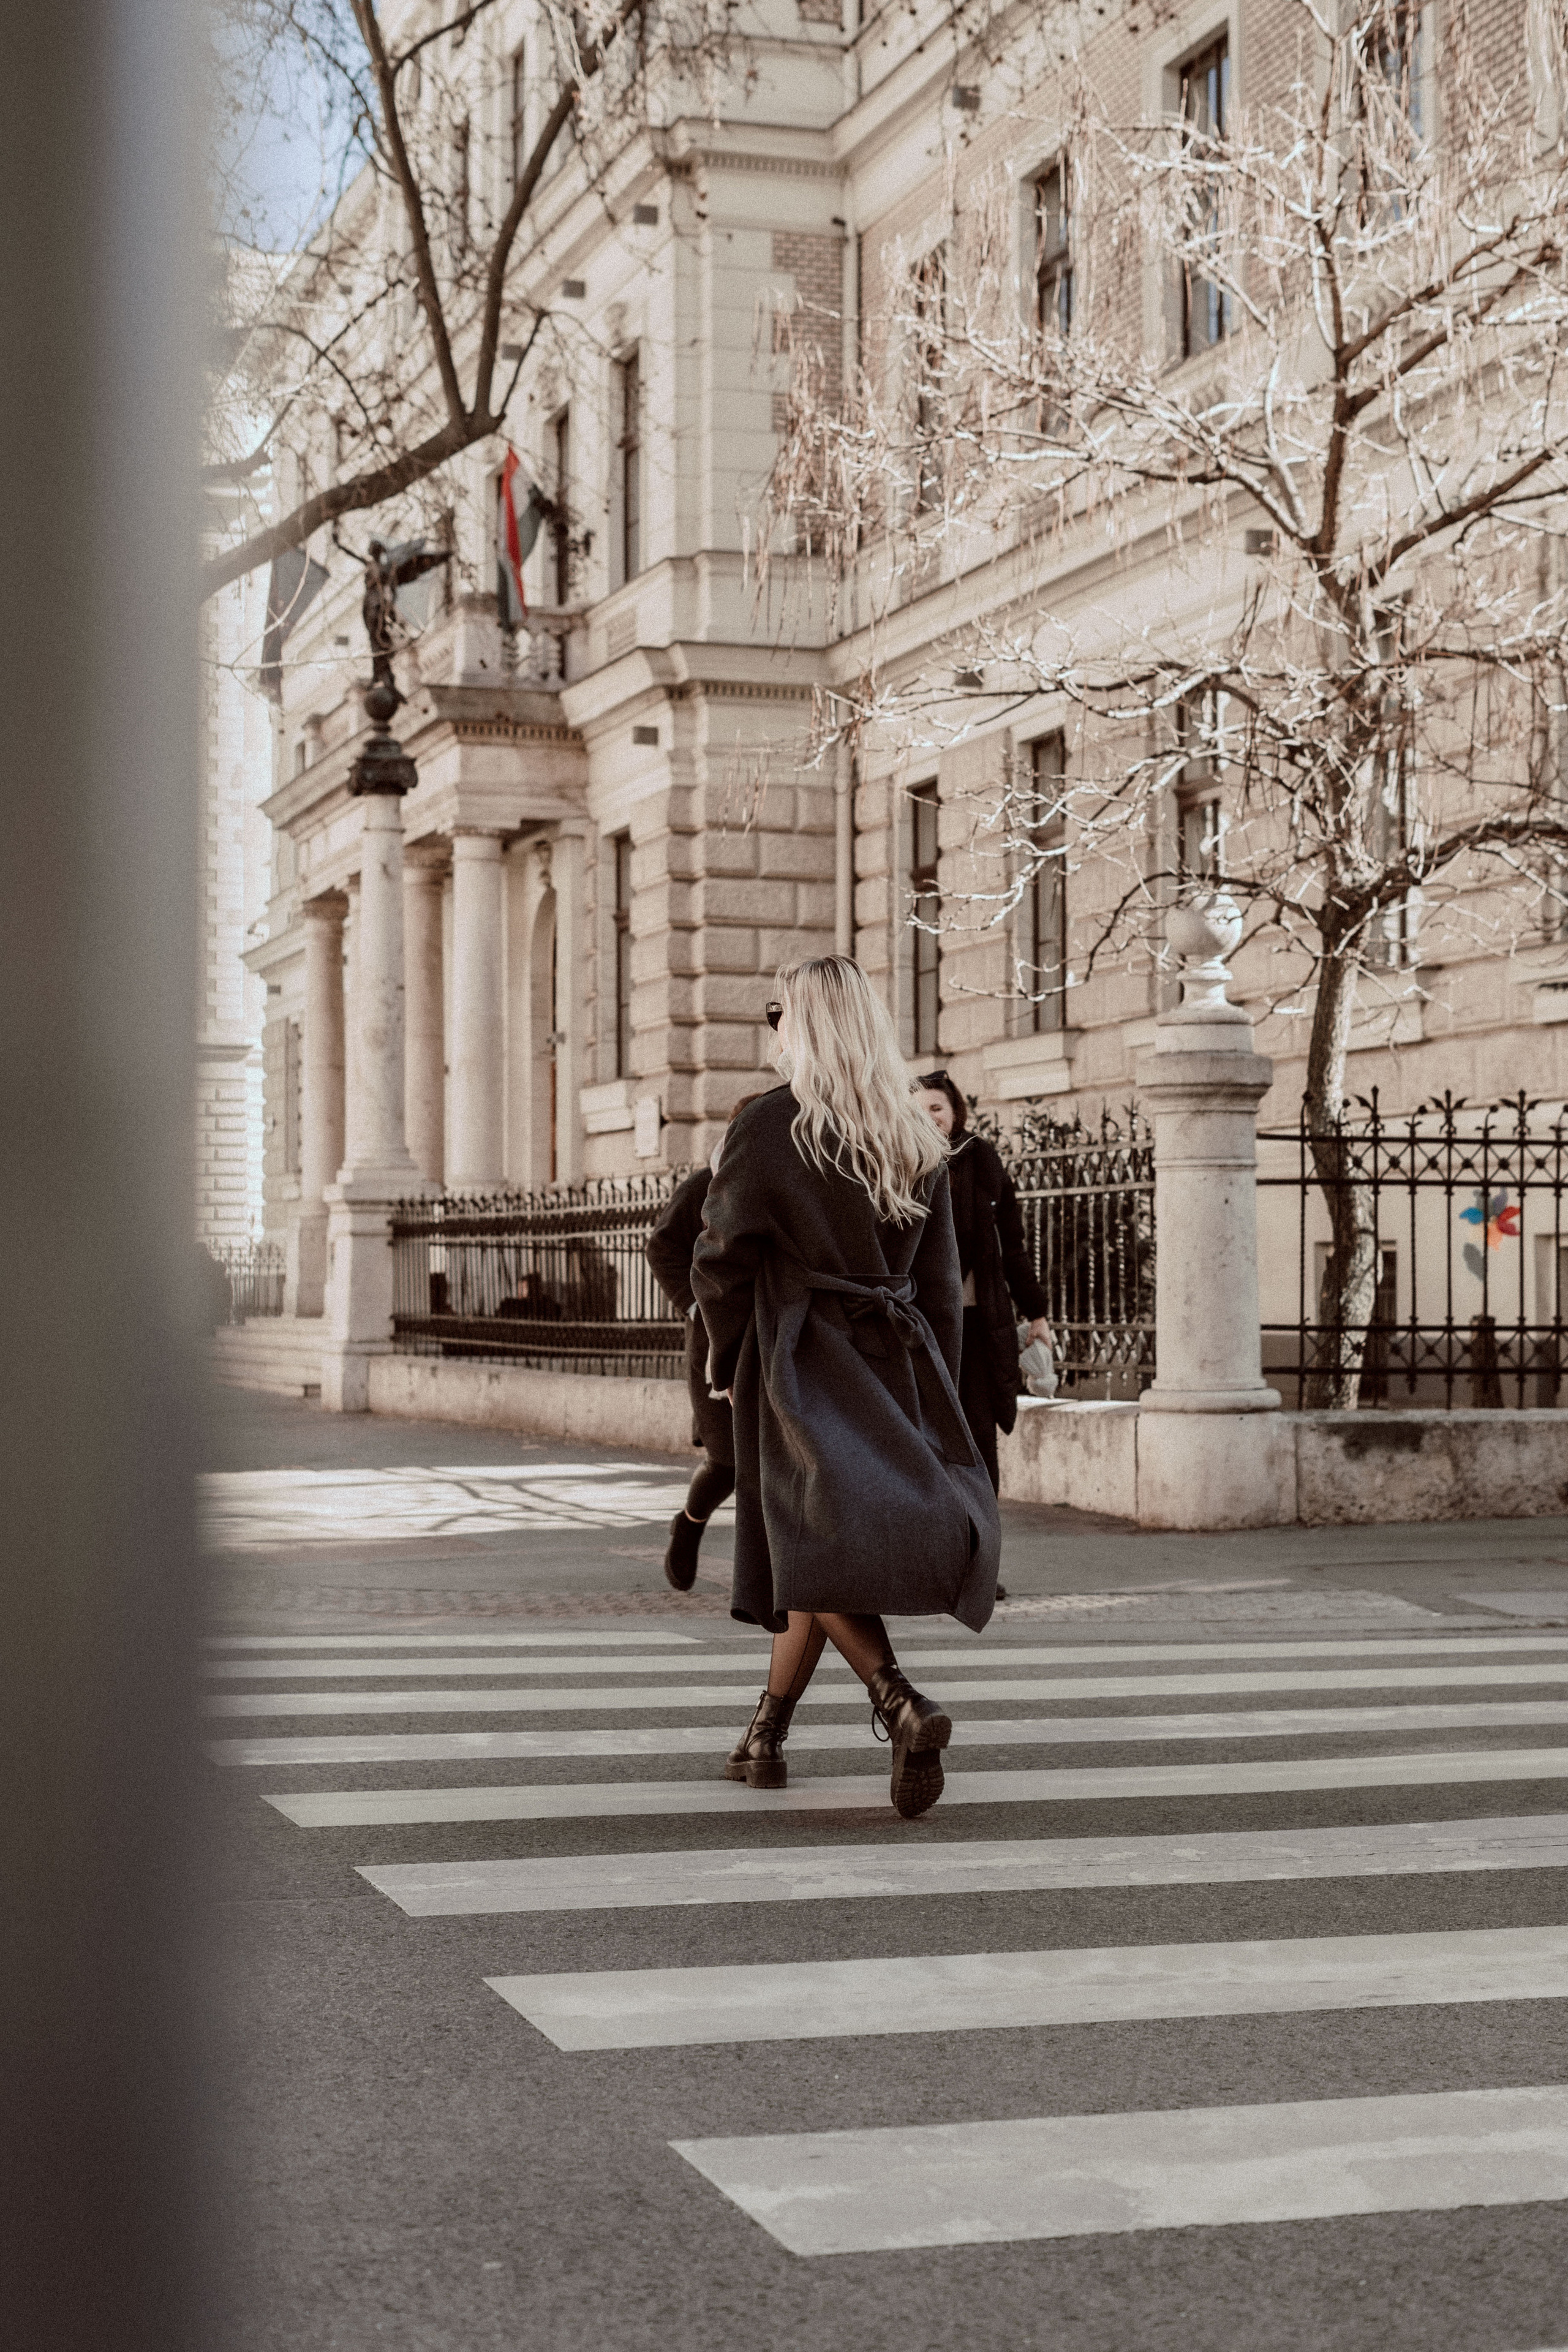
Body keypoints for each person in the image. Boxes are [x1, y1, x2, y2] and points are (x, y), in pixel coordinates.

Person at [692, 956, 1001, 1820]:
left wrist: (722, 1359)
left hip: (798, 1359)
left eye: (776, 1010)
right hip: (894, 1362)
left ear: (808, 1023)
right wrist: (933, 1391)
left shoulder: (770, 1124)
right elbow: (940, 1287)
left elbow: (717, 1260)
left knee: (810, 1546)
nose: (773, 1025)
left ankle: (900, 1702)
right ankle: (765, 1736)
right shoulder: (915, 1132)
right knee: (815, 1548)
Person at [914, 1071, 1054, 1495]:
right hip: (921, 1324)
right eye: (917, 1111)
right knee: (926, 1432)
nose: (929, 1118)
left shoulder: (981, 1159)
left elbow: (1012, 1245)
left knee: (978, 1431)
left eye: (937, 1108)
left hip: (976, 1323)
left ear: (955, 1112)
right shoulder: (899, 1161)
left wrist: (1037, 1313)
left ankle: (982, 1532)